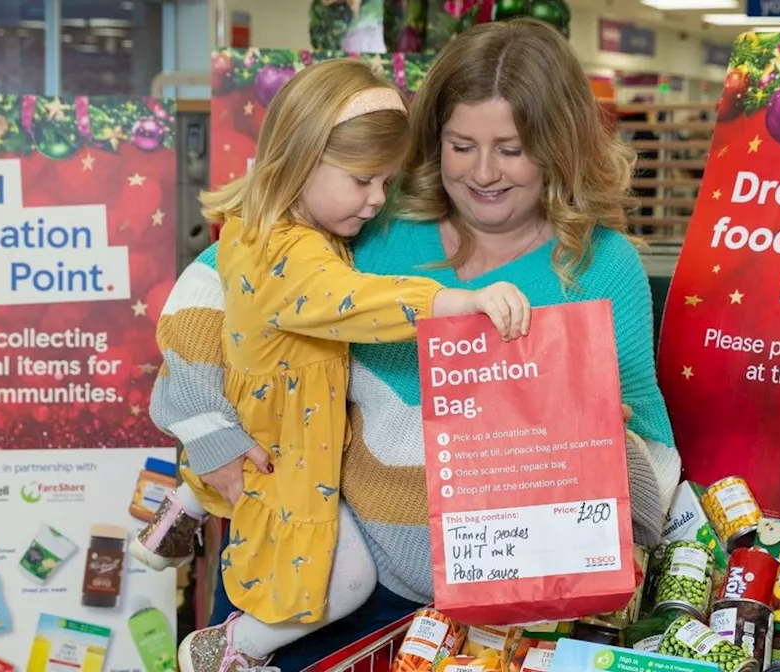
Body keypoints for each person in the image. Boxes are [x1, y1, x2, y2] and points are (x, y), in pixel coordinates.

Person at [150, 19, 681, 671]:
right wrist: (212, 436)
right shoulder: (374, 213)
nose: (484, 172)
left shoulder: (603, 267)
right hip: (309, 579)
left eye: (512, 149)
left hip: (495, 624)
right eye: (461, 145)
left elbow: (652, 453)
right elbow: (213, 295)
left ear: (559, 145)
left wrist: (611, 454)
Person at [135, 59, 532, 672]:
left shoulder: (266, 229)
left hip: (273, 426)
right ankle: (227, 650)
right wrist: (456, 302)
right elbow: (348, 300)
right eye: (362, 181)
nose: (376, 200)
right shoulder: (292, 256)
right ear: (300, 159)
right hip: (287, 451)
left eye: (386, 183)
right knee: (345, 581)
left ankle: (177, 518)